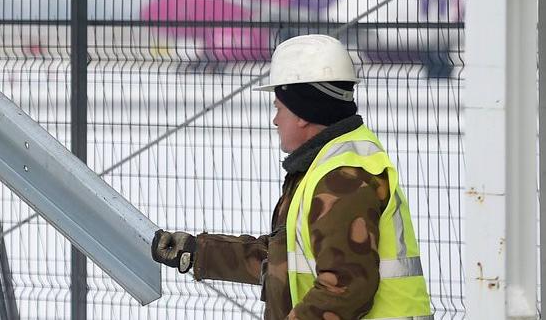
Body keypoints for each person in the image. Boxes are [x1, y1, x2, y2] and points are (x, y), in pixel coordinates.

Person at [151, 35, 432, 320]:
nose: (275, 120)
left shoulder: (343, 178)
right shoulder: (324, 166)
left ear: (302, 113)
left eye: (279, 108)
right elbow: (284, 258)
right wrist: (198, 252)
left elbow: (345, 288)